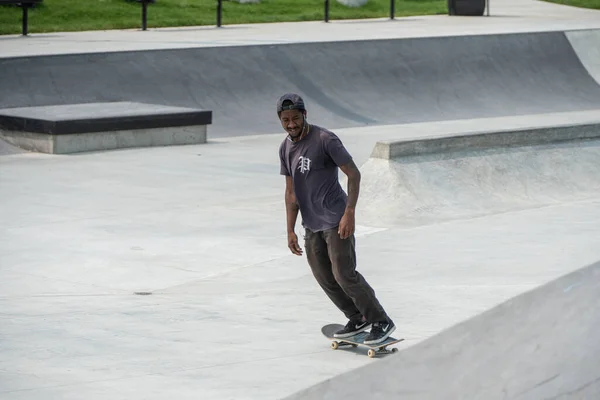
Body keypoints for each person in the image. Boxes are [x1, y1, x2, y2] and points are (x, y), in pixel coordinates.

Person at [277, 93, 396, 345]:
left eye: (295, 118)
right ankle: (357, 317)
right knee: (323, 276)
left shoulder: (325, 139)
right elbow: (290, 193)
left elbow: (353, 174)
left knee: (344, 274)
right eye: (285, 120)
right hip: (311, 223)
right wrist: (290, 229)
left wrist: (349, 212)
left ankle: (381, 320)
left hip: (335, 218)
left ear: (305, 115)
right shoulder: (285, 148)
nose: (291, 125)